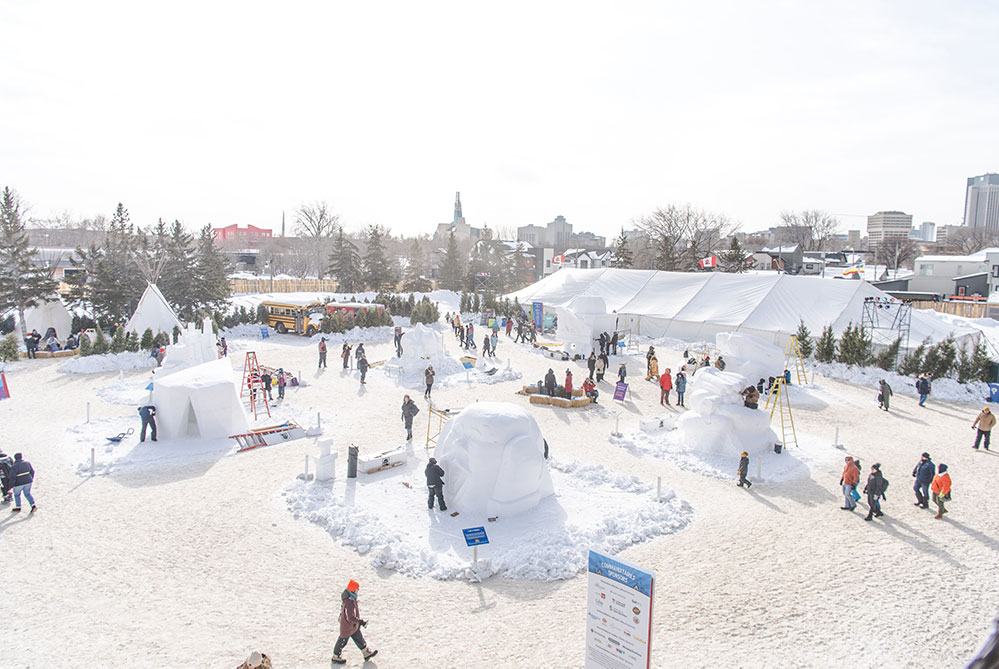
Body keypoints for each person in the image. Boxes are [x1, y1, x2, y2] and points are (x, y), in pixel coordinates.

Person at [330, 580, 377, 664]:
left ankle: (366, 652)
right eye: (357, 589)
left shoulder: (349, 599)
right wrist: (361, 622)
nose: (358, 591)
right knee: (342, 641)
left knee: (359, 638)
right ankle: (336, 656)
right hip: (348, 626)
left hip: (353, 626)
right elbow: (350, 617)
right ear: (353, 590)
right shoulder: (350, 602)